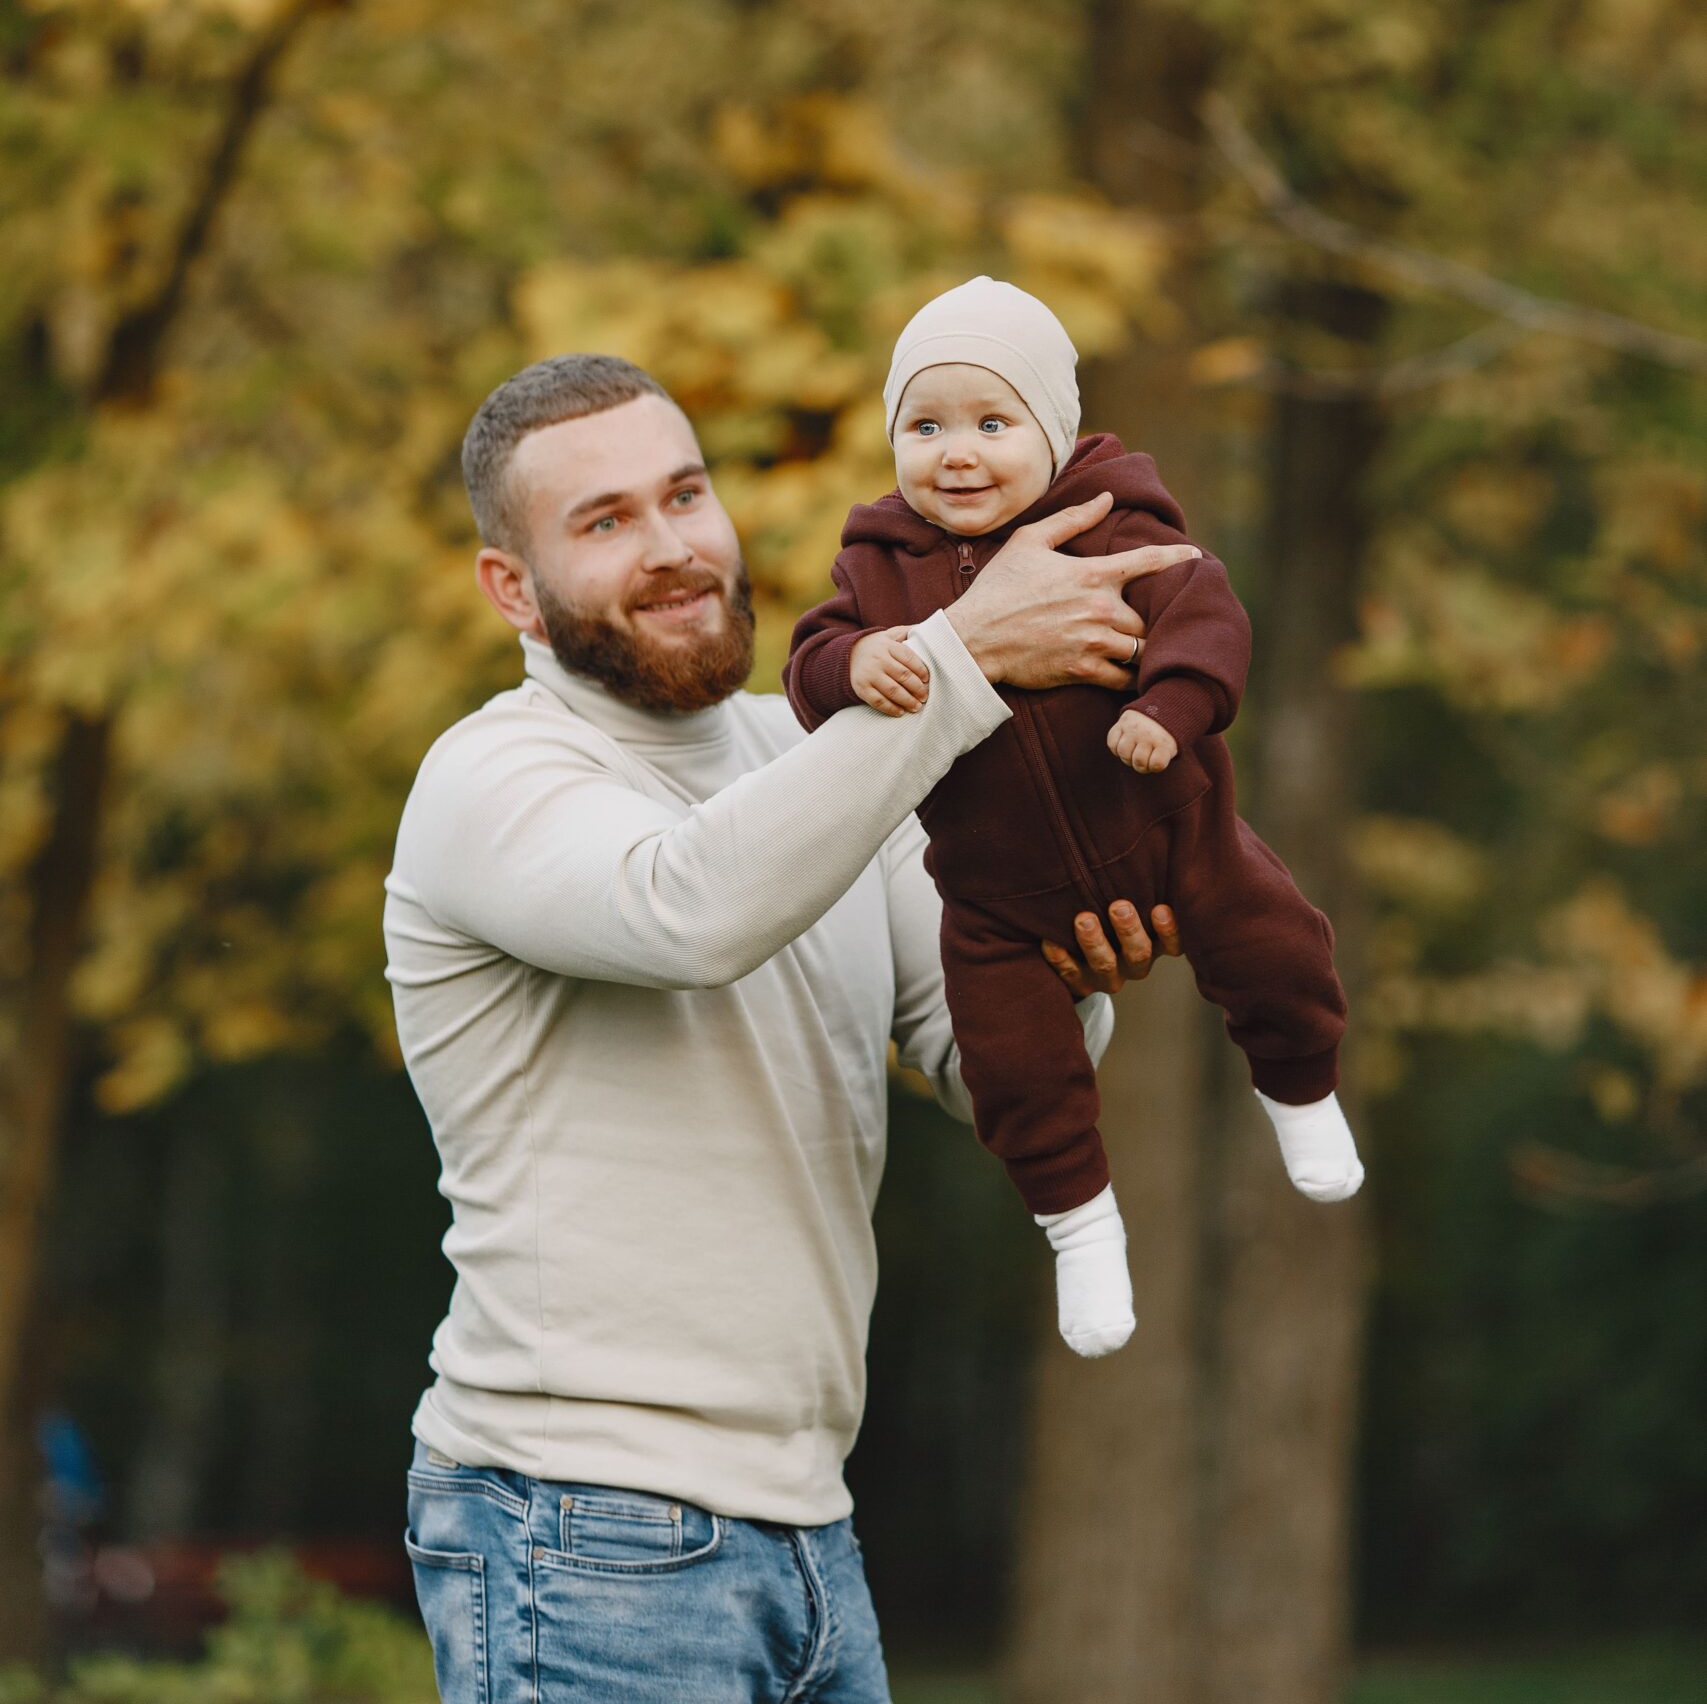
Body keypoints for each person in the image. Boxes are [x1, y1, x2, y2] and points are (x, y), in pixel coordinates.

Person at [385, 351, 1198, 1704]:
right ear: (509, 590)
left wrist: (1074, 940)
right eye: (603, 522)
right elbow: (687, 911)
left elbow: (975, 1060)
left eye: (684, 495)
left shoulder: (810, 758)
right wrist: (959, 664)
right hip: (578, 1530)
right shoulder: (492, 777)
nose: (671, 549)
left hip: (807, 1527)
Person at [785, 278, 1364, 1364]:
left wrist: (1171, 707)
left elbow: (1205, 614)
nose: (956, 453)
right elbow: (809, 669)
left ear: (1051, 432)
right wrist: (855, 659)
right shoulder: (877, 564)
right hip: (996, 892)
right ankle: (1079, 1221)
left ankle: (1300, 1087)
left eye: (992, 423)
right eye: (926, 425)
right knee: (1012, 1059)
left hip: (1165, 826)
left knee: (1273, 940)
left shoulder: (1112, 522)